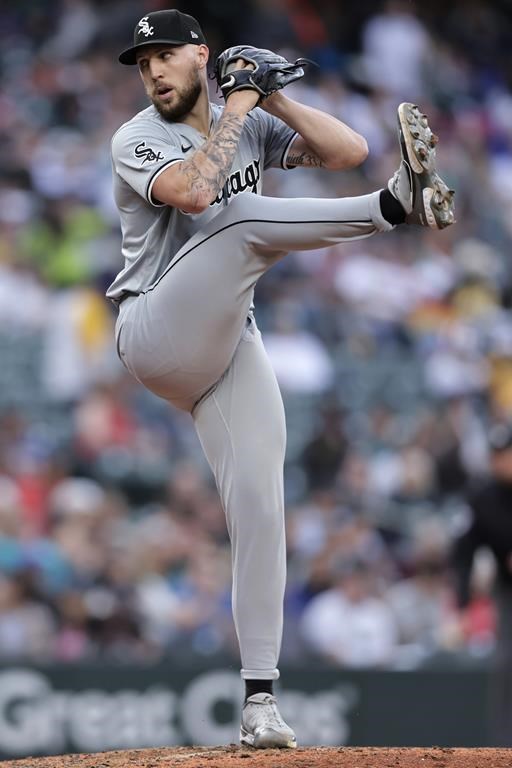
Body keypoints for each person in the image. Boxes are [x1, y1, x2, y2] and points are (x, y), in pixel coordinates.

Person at [107, 8, 455, 749]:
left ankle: (260, 701)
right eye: (144, 64)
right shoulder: (136, 136)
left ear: (200, 54)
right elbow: (200, 195)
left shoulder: (249, 117)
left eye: (165, 56)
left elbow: (351, 147)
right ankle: (397, 207)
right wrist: (235, 102)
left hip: (228, 342)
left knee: (262, 505)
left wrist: (272, 96)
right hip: (155, 330)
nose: (154, 72)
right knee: (234, 220)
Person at [452, 422, 512, 746]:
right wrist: (462, 604)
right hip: (508, 590)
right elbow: (463, 554)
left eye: (507, 453)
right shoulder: (483, 498)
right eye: (497, 454)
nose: (502, 460)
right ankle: (506, 747)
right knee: (507, 662)